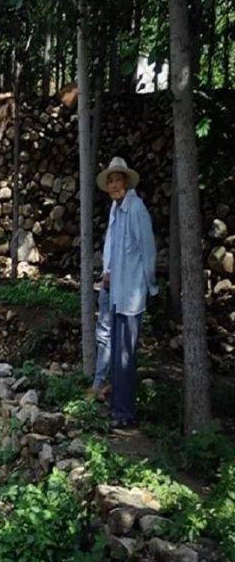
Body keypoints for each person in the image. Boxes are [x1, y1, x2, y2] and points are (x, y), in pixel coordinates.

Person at [90, 157, 158, 428]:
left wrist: (149, 285)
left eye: (117, 180)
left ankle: (125, 413)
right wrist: (107, 271)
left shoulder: (136, 209)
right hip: (116, 291)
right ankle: (117, 406)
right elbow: (111, 246)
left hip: (131, 293)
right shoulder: (116, 210)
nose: (114, 185)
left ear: (126, 182)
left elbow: (148, 250)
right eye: (110, 181)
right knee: (117, 351)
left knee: (126, 355)